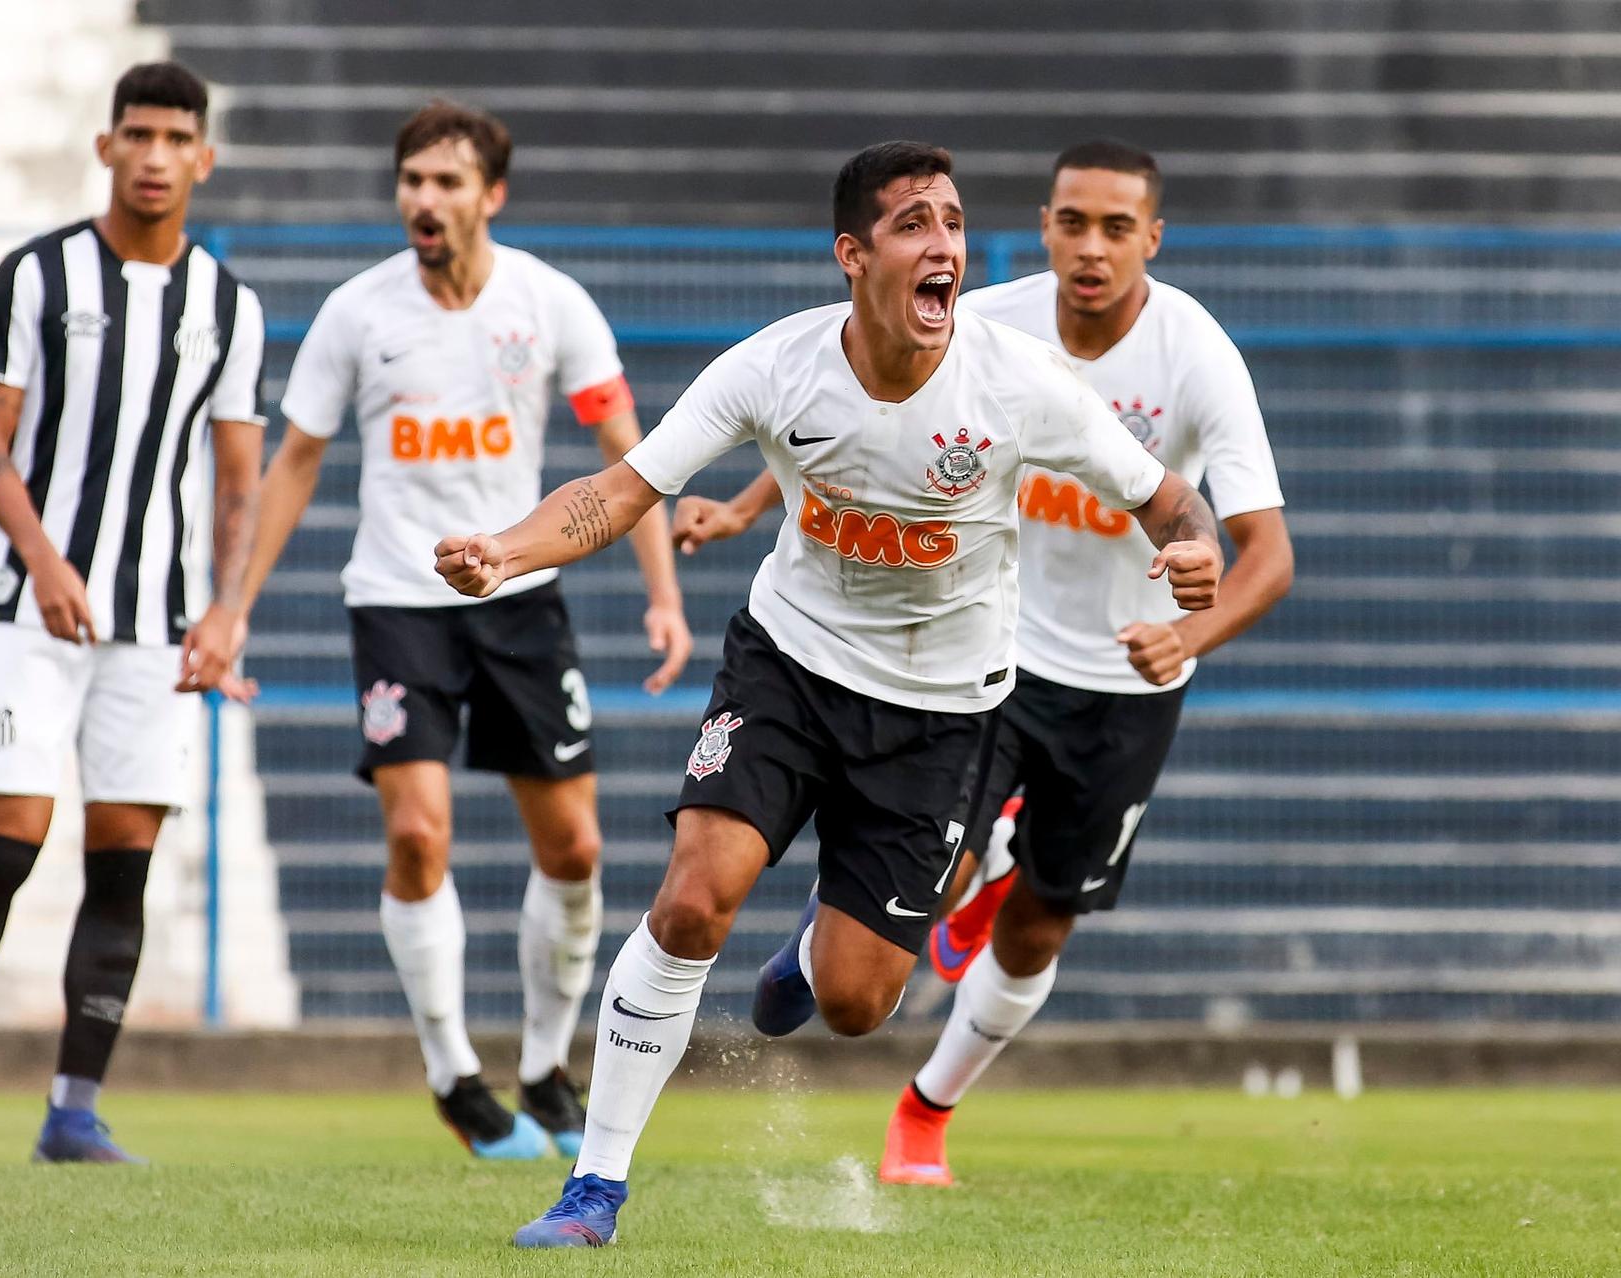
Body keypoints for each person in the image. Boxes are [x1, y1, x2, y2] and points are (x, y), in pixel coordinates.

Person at [434, 141, 1224, 1247]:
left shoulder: (1020, 385)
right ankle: (592, 1190)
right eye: (913, 224)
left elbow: (1171, 501)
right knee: (694, 896)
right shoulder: (773, 366)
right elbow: (622, 489)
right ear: (854, 257)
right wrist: (506, 553)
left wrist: (1194, 559)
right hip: (791, 667)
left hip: (944, 712)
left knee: (858, 1003)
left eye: (951, 221)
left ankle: (810, 951)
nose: (943, 242)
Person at [678, 139, 1293, 1187]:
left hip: (1128, 685)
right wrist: (742, 505)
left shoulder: (1195, 354)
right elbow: (860, 439)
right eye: (1070, 223)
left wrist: (1184, 628)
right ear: (1044, 224)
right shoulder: (978, 321)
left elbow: (1267, 557)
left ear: (1153, 237)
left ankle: (927, 1109)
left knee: (1042, 920)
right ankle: (855, 941)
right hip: (990, 661)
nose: (1088, 248)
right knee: (942, 873)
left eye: (1114, 228)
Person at [230, 100, 693, 1161]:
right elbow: (295, 459)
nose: (423, 201)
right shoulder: (358, 314)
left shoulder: (551, 303)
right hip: (398, 601)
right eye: (411, 181)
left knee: (574, 847)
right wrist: (235, 607)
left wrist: (661, 594)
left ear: (492, 194)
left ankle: (542, 1064)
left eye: (446, 182)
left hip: (519, 598)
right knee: (415, 834)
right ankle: (452, 1073)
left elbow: (631, 457)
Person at [0, 61, 266, 1165]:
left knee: (123, 861)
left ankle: (73, 1109)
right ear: (105, 148)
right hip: (24, 613)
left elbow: (238, 480)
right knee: (7, 843)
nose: (153, 155)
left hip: (153, 626)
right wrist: (44, 561)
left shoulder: (228, 307)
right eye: (135, 134)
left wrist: (226, 610)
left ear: (203, 157)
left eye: (174, 137)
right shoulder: (37, 276)